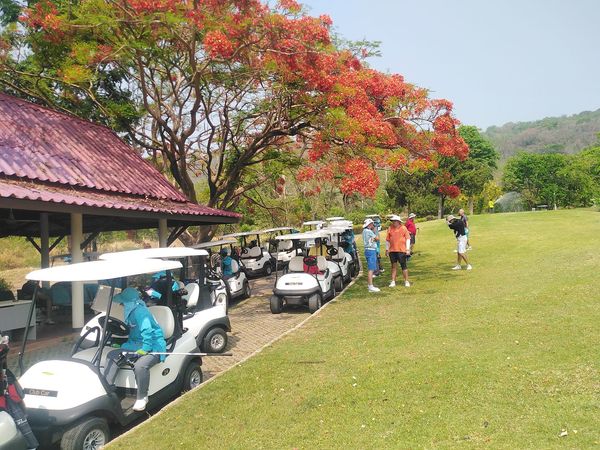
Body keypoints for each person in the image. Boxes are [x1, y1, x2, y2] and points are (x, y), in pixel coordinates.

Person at [104, 287, 167, 411]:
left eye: (122, 302)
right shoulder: (131, 311)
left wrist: (146, 348)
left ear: (128, 303)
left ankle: (142, 396)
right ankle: (107, 389)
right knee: (112, 355)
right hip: (135, 344)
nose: (121, 304)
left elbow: (147, 331)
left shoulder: (140, 311)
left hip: (154, 345)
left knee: (140, 366)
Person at [385, 215, 412, 287]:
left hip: (401, 250)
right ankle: (393, 281)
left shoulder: (403, 228)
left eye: (394, 221)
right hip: (392, 250)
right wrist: (387, 249)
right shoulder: (390, 228)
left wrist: (407, 249)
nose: (393, 222)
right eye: (392, 221)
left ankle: (406, 281)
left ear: (398, 221)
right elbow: (387, 240)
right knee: (393, 266)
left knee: (404, 266)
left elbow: (408, 239)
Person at [362, 218, 380, 292]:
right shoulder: (369, 231)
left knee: (371, 268)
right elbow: (377, 238)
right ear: (369, 225)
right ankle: (370, 286)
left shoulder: (364, 231)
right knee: (371, 269)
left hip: (368, 250)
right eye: (372, 224)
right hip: (371, 250)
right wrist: (375, 232)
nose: (373, 225)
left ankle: (370, 285)